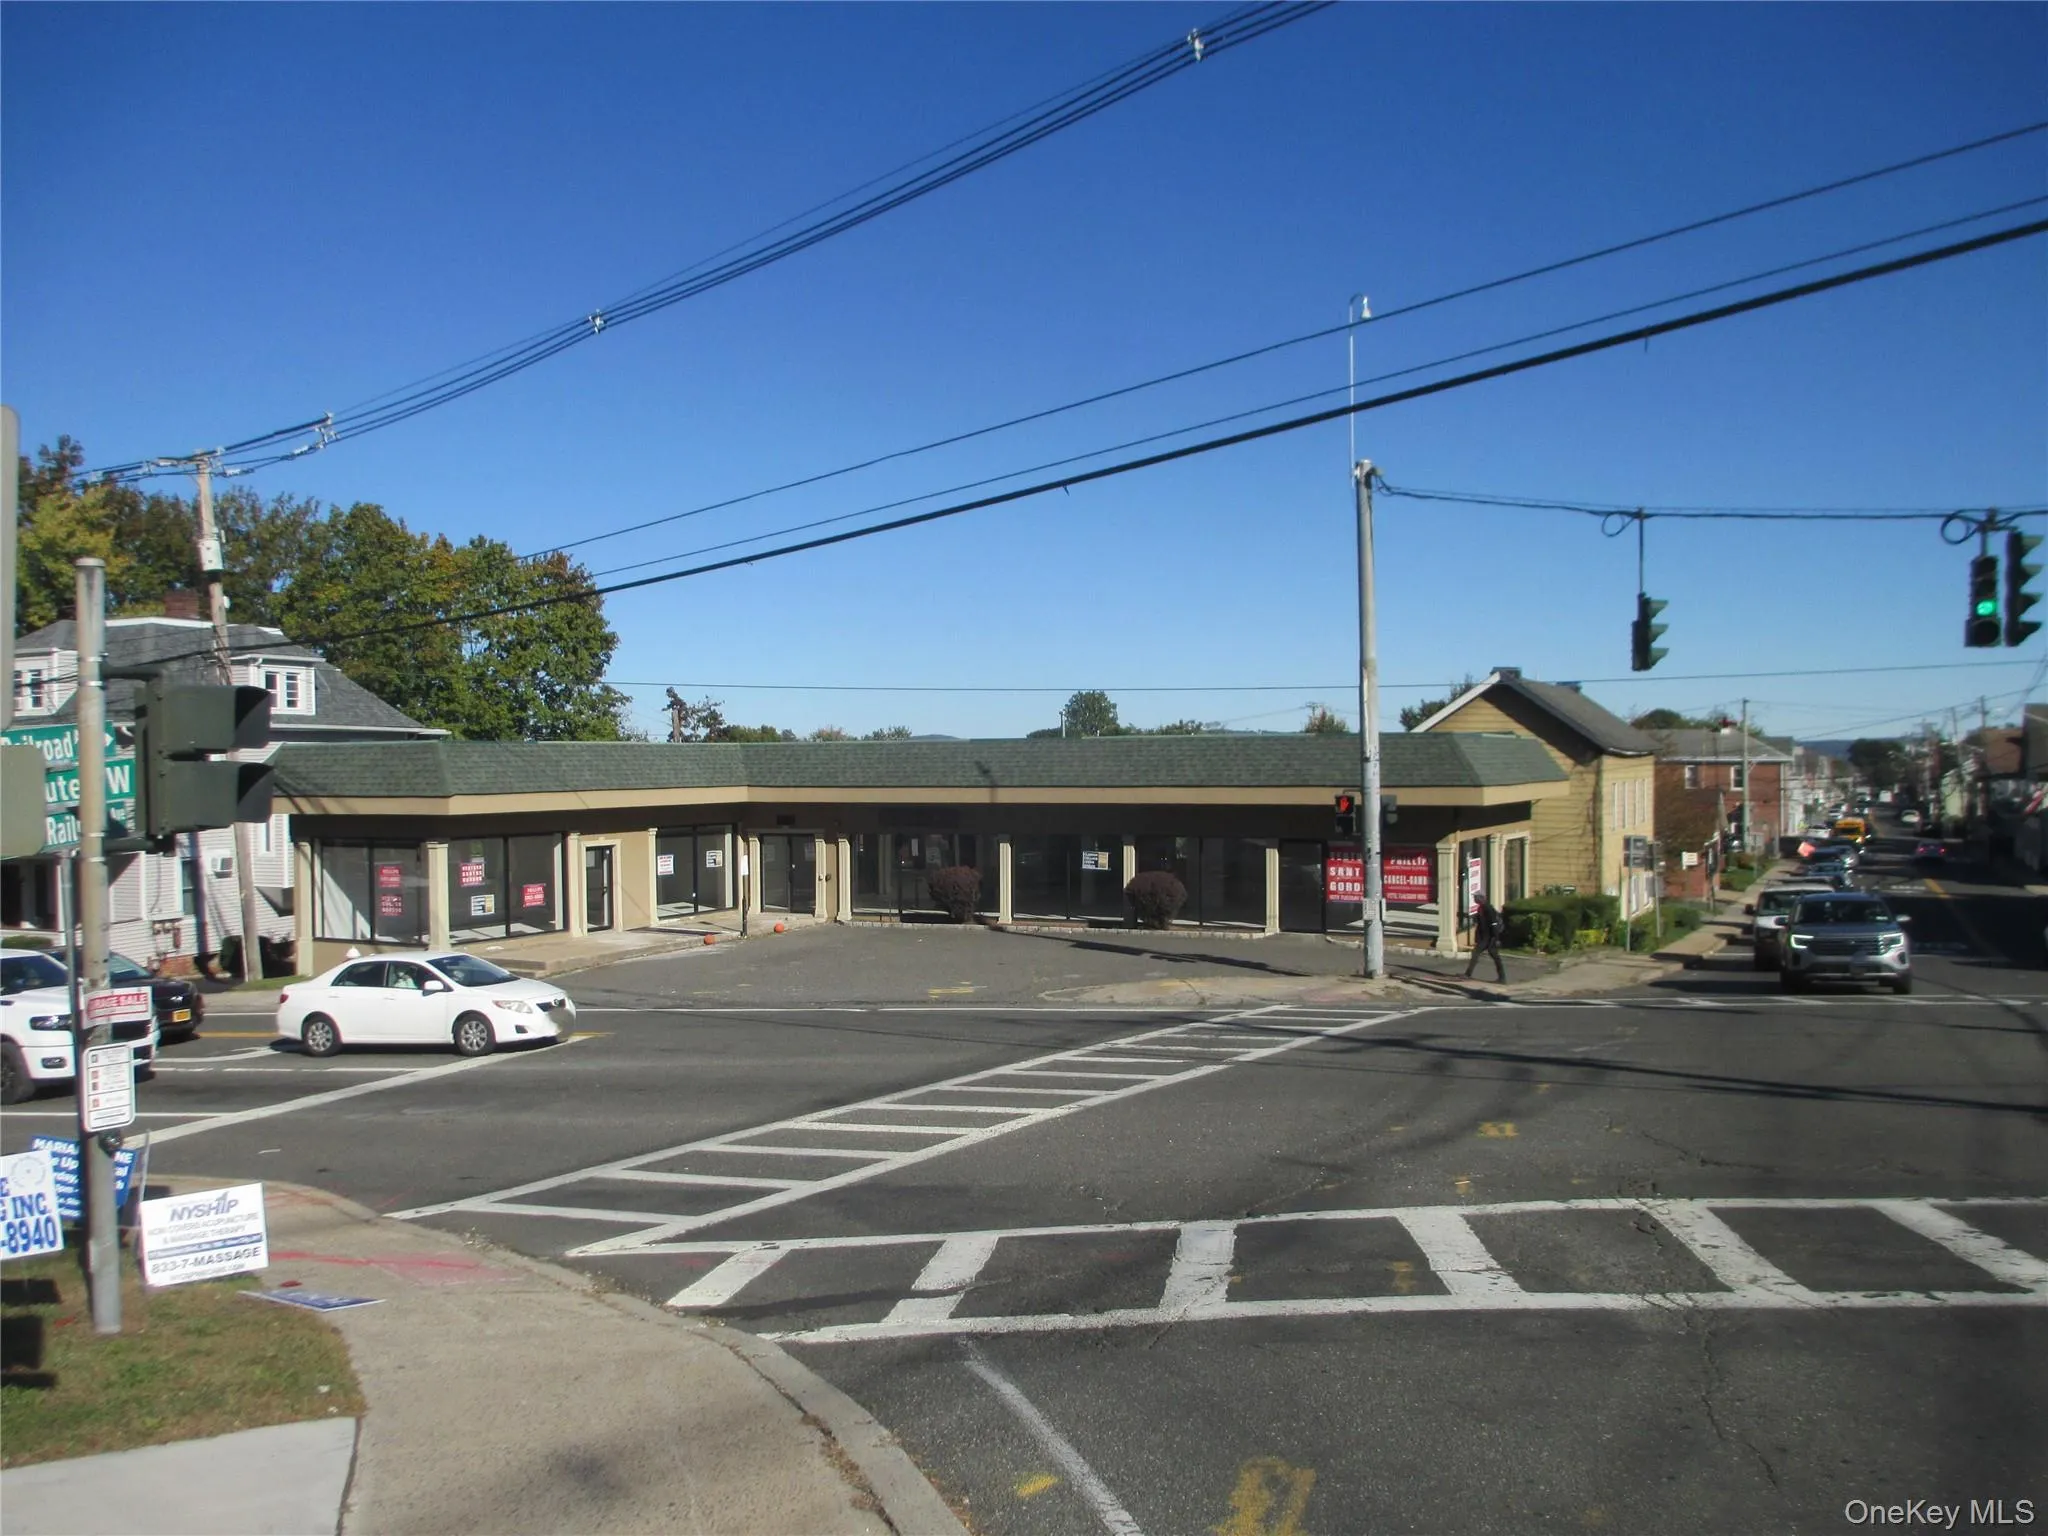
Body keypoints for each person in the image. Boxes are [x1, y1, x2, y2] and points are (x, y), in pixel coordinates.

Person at [1465, 894, 1507, 983]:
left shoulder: (1488, 908)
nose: (1474, 899)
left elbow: (1494, 924)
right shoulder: (1481, 908)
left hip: (1490, 937)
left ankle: (1502, 978)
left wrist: (1497, 938)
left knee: (1492, 956)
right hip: (1485, 937)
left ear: (1481, 899)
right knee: (1479, 953)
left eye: (1476, 897)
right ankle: (1468, 974)